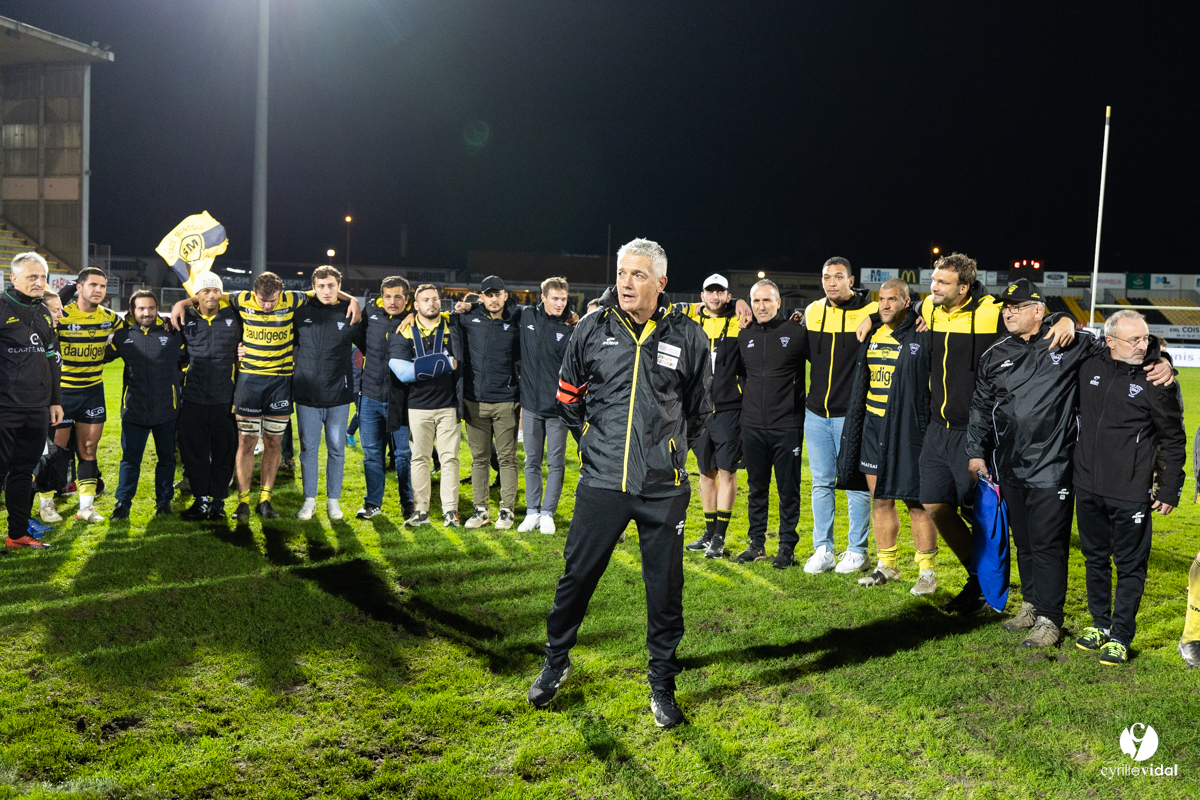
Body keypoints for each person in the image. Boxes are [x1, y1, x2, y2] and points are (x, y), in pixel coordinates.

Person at [528, 238, 711, 729]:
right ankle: (555, 659)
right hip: (603, 480)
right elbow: (568, 396)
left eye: (637, 275)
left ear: (661, 283)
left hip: (663, 489)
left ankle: (662, 683)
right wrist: (590, 441)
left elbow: (698, 408)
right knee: (577, 578)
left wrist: (671, 454)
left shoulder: (689, 335)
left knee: (665, 589)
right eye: (622, 272)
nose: (625, 282)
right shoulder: (591, 327)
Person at [905, 253, 1076, 613]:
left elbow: (1031, 322)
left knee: (985, 514)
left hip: (977, 432)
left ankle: (993, 587)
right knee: (935, 505)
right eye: (933, 281)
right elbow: (900, 307)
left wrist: (1064, 318)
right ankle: (979, 579)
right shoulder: (930, 308)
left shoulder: (990, 311)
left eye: (941, 283)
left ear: (964, 287)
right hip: (938, 429)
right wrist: (873, 317)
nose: (932, 287)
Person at [171, 271, 360, 521]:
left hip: (280, 383)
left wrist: (353, 299)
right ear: (254, 293)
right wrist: (182, 303)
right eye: (262, 300)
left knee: (273, 443)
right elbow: (210, 295)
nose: (267, 305)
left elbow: (324, 291)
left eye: (272, 301)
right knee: (246, 442)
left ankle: (265, 500)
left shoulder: (294, 299)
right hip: (249, 381)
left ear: (281, 294)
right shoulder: (240, 299)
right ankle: (243, 502)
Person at [1072, 310, 1185, 666]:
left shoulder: (1156, 380)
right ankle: (1100, 624)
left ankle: (1121, 635)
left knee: (1130, 566)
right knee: (1094, 559)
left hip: (1130, 490)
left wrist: (1169, 490)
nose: (1143, 345)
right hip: (1087, 484)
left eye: (1146, 339)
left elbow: (1173, 439)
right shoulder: (1089, 365)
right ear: (1110, 342)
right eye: (1134, 340)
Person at [837, 279, 939, 592]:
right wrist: (870, 315)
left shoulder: (922, 332)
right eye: (882, 299)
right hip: (872, 427)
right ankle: (887, 565)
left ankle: (927, 572)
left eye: (892, 299)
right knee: (880, 499)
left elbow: (939, 304)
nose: (885, 305)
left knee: (916, 503)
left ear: (908, 302)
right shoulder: (873, 332)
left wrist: (923, 310)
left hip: (906, 429)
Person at [723, 279, 807, 566]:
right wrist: (737, 304)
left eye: (767, 300)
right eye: (756, 301)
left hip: (787, 426)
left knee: (788, 489)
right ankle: (756, 543)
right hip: (753, 425)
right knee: (757, 487)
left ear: (779, 302)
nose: (761, 306)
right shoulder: (743, 336)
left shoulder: (797, 333)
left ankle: (786, 547)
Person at [801, 257, 877, 574]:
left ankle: (857, 551)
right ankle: (824, 550)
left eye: (838, 277)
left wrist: (873, 314)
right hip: (816, 412)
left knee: (855, 483)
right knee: (821, 483)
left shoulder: (869, 310)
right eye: (826, 277)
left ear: (851, 279)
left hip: (852, 414)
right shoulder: (813, 311)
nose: (831, 282)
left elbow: (903, 304)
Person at [1, 253, 63, 549]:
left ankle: (17, 535)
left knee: (24, 471)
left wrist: (55, 400)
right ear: (13, 279)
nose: (40, 283)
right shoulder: (1, 307)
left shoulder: (44, 313)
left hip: (37, 408)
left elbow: (52, 359)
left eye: (43, 277)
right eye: (32, 277)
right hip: (4, 408)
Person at [680, 274, 746, 555]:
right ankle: (708, 533)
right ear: (703, 295)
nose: (716, 297)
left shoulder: (741, 320)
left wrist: (743, 303)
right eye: (711, 292)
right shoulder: (691, 317)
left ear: (728, 295)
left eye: (721, 292)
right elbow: (664, 306)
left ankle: (719, 537)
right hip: (698, 410)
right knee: (705, 473)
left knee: (726, 471)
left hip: (730, 408)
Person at [450, 276, 522, 530]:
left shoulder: (517, 318)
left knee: (507, 458)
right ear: (481, 297)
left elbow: (530, 312)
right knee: (479, 459)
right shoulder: (469, 319)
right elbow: (448, 317)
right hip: (474, 401)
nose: (493, 299)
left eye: (497, 294)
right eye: (488, 295)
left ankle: (506, 511)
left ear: (505, 296)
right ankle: (481, 510)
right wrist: (463, 307)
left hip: (506, 400)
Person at [107, 291, 187, 517]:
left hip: (166, 409)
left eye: (151, 308)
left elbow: (189, 358)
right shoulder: (122, 336)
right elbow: (100, 356)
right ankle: (122, 504)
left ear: (157, 309)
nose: (147, 313)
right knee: (130, 460)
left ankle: (163, 502)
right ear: (132, 311)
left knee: (167, 459)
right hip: (134, 410)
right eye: (141, 309)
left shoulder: (173, 333)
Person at [51, 266, 119, 523]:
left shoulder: (111, 317)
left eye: (102, 286)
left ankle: (86, 507)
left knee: (89, 448)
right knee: (56, 451)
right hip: (63, 393)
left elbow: (134, 331)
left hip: (93, 391)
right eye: (93, 285)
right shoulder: (61, 316)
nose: (99, 290)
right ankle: (47, 503)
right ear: (79, 288)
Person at [389, 283, 461, 527]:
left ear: (440, 302)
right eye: (426, 300)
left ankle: (450, 511)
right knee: (419, 459)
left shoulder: (453, 324)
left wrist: (421, 366)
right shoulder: (404, 330)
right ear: (416, 305)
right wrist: (444, 361)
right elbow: (403, 373)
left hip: (448, 405)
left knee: (449, 459)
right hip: (417, 405)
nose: (432, 303)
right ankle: (421, 511)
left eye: (435, 299)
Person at [293, 266, 359, 522]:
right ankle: (309, 500)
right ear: (314, 287)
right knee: (309, 449)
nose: (326, 291)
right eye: (321, 286)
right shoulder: (301, 311)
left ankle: (333, 501)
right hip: (306, 394)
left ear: (338, 286)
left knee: (336, 449)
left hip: (338, 396)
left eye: (331, 285)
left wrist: (352, 300)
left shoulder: (350, 313)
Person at [177, 272, 241, 521]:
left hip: (224, 397)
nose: (211, 295)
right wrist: (180, 305)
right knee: (195, 452)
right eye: (206, 291)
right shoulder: (186, 318)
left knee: (225, 451)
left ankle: (219, 502)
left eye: (216, 290)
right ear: (197, 295)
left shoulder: (234, 316)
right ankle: (201, 499)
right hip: (193, 396)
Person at [515, 277, 575, 534]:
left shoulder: (571, 325)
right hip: (530, 405)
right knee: (531, 461)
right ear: (543, 298)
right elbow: (496, 307)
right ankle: (531, 511)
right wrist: (465, 308)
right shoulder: (526, 316)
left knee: (556, 463)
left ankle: (548, 512)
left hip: (557, 409)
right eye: (555, 299)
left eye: (563, 299)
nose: (560, 304)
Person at [352, 276, 413, 520]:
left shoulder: (415, 320)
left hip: (400, 397)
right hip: (370, 396)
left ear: (407, 299)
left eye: (398, 296)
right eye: (388, 296)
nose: (392, 301)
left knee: (403, 455)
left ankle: (408, 502)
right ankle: (372, 503)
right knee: (371, 453)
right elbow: (359, 340)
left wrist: (413, 316)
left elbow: (442, 314)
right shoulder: (371, 314)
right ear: (381, 297)